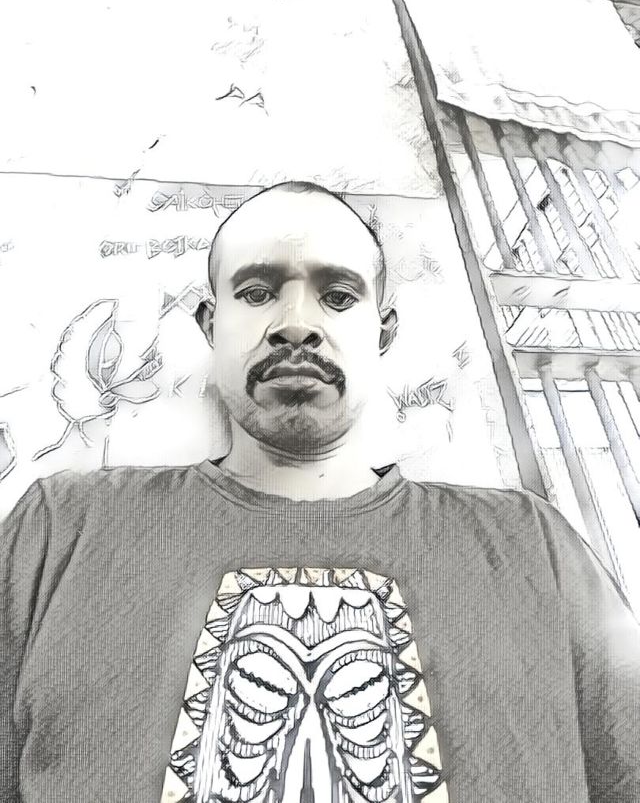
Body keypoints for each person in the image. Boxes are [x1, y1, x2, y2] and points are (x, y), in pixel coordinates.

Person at [1, 181, 638, 803]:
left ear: (383, 332)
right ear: (211, 325)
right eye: (256, 292)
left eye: (337, 296)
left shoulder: (532, 543)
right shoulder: (62, 528)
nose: (296, 324)